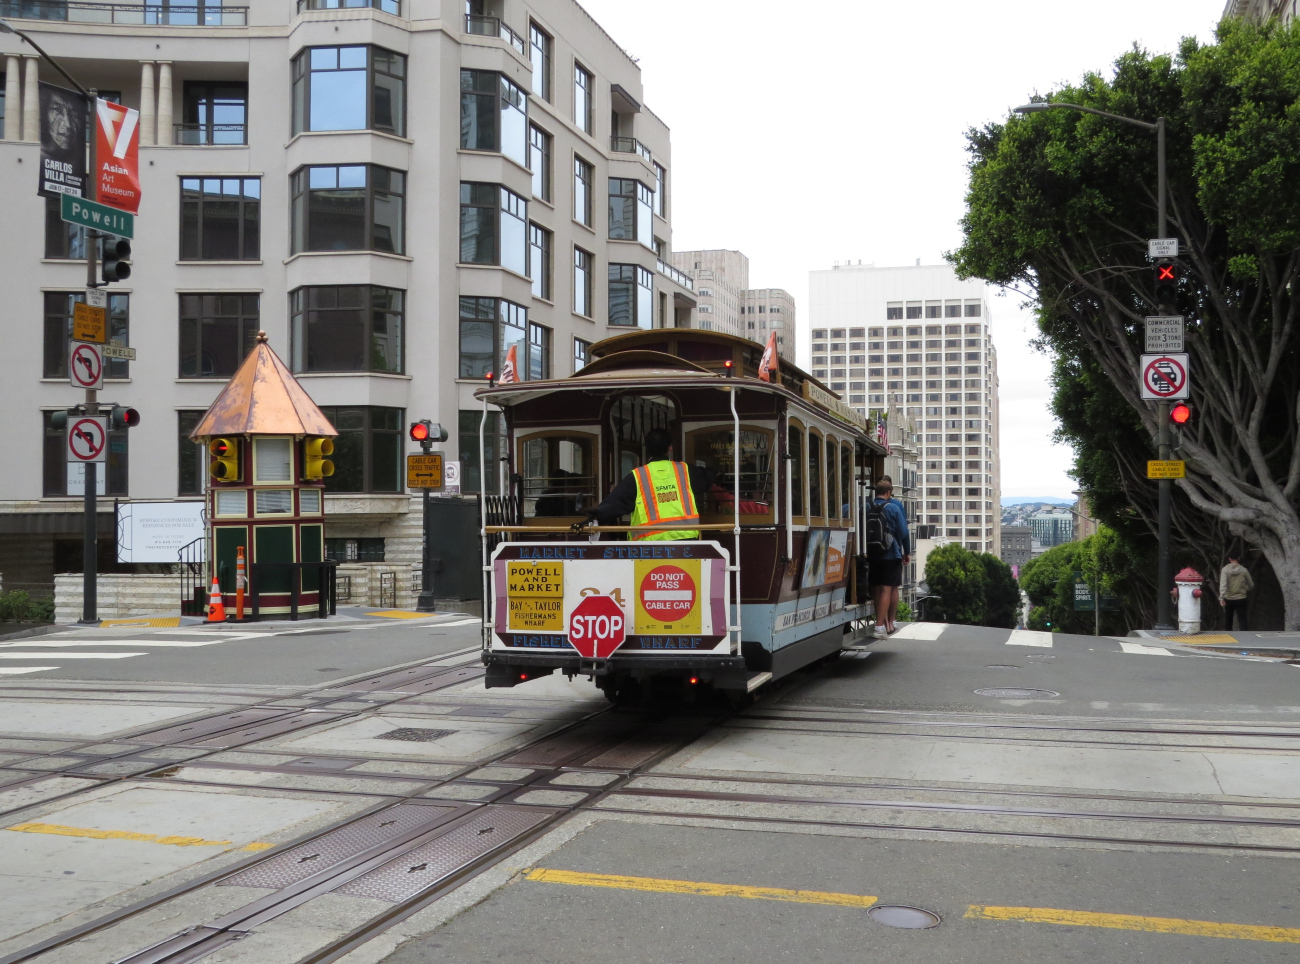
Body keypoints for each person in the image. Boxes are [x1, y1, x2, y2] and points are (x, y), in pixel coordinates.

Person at [580, 428, 710, 540]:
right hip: (687, 544)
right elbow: (709, 477)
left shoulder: (637, 476)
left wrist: (592, 517)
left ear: (647, 449)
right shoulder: (686, 471)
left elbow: (615, 503)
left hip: (649, 549)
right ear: (670, 448)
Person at [867, 479, 911, 638]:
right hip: (890, 554)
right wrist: (906, 551)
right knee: (887, 588)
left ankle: (880, 622)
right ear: (888, 492)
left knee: (876, 588)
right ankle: (881, 627)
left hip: (871, 554)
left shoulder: (866, 507)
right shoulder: (893, 507)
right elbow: (904, 532)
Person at [1219, 552, 1254, 631]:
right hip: (1241, 598)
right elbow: (1251, 584)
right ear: (1238, 558)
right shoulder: (1244, 570)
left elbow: (1223, 584)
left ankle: (1228, 638)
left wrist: (1221, 598)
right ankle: (1244, 638)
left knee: (1228, 620)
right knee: (1242, 619)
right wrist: (1246, 588)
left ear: (1229, 559)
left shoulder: (1225, 570)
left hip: (1228, 598)